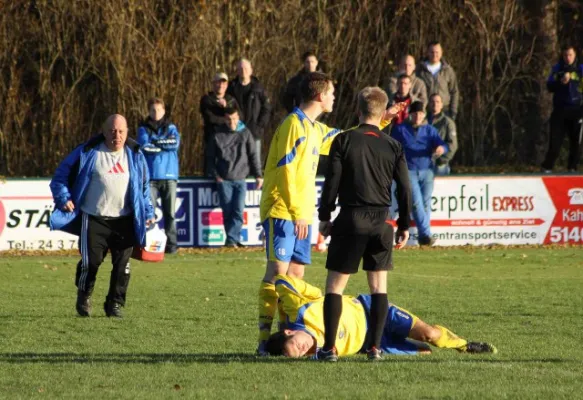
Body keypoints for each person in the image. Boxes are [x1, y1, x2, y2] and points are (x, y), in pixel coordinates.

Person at [317, 86, 412, 361]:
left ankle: (329, 348)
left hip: (351, 218)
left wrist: (325, 216)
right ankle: (374, 348)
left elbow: (331, 181)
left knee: (335, 286)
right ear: (383, 113)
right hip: (382, 220)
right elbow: (404, 188)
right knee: (379, 286)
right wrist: (404, 224)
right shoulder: (394, 145)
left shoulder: (344, 140)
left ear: (358, 111)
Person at [256, 72, 341, 355]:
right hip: (283, 211)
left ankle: (287, 335)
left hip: (303, 213)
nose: (333, 97)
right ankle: (263, 341)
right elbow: (284, 172)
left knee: (295, 276)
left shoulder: (315, 129)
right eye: (330, 92)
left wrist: (379, 120)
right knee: (277, 274)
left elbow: (344, 138)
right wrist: (296, 212)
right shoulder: (293, 124)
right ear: (319, 96)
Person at [49, 115, 155, 318]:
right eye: (113, 131)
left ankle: (114, 305)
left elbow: (143, 188)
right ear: (104, 132)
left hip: (125, 219)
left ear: (127, 132)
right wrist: (64, 197)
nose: (117, 135)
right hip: (94, 217)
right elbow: (60, 176)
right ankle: (84, 294)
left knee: (123, 266)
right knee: (91, 263)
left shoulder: (135, 154)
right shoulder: (87, 151)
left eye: (121, 131)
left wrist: (147, 212)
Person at [265, 275, 497, 358]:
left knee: (430, 335)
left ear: (289, 331)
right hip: (372, 344)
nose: (304, 348)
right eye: (299, 355)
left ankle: (465, 346)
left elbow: (281, 282)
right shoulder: (318, 354)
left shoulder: (300, 312)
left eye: (296, 345)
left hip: (371, 311)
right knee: (424, 353)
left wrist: (312, 295)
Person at [392, 101, 448, 247]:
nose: (418, 116)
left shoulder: (429, 130)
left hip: (427, 171)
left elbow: (442, 144)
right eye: (415, 113)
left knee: (425, 203)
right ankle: (426, 235)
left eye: (421, 113)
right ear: (410, 114)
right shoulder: (400, 129)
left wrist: (441, 148)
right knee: (416, 203)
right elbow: (391, 147)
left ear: (424, 114)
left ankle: (424, 237)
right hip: (408, 170)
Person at [206, 107, 263, 247]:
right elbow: (209, 158)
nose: (232, 121)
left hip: (240, 179)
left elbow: (253, 155)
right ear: (225, 119)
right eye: (229, 119)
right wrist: (216, 176)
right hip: (224, 180)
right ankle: (233, 239)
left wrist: (258, 175)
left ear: (238, 118)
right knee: (228, 211)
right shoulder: (217, 135)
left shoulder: (245, 133)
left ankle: (232, 240)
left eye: (234, 118)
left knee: (238, 210)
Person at [137, 97, 181, 254]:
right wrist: (162, 143)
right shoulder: (143, 128)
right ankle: (147, 245)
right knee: (149, 213)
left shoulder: (171, 127)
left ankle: (172, 245)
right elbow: (145, 147)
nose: (156, 113)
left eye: (159, 110)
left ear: (164, 111)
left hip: (169, 176)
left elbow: (174, 144)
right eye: (153, 110)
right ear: (149, 111)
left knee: (170, 214)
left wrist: (155, 142)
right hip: (150, 178)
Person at [541, 45, 583, 173]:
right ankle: (547, 167)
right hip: (560, 110)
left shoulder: (580, 69)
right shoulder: (557, 68)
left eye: (570, 55)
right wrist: (560, 81)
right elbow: (549, 86)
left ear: (575, 55)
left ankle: (572, 168)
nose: (568, 58)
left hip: (576, 110)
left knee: (576, 143)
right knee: (555, 143)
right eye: (565, 55)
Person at [227, 59, 272, 163]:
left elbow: (267, 108)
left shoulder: (259, 88)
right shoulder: (231, 88)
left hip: (254, 133)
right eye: (241, 68)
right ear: (237, 71)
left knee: (254, 162)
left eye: (246, 68)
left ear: (251, 70)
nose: (244, 71)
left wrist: (259, 125)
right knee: (236, 162)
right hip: (235, 132)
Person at [200, 72, 239, 174]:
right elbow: (211, 118)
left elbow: (239, 117)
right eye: (218, 83)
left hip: (229, 140)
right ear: (213, 84)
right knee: (210, 165)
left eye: (224, 83)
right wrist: (228, 119)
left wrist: (226, 108)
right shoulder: (206, 99)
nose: (221, 86)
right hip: (212, 137)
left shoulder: (231, 100)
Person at [417, 42, 459, 120]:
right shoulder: (420, 70)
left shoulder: (448, 70)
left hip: (444, 111)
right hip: (424, 111)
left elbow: (454, 92)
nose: (434, 54)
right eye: (432, 52)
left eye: (437, 52)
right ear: (427, 53)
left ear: (441, 53)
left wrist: (453, 111)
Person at [428, 93, 458, 175]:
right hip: (423, 165)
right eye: (432, 101)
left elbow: (453, 145)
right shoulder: (422, 121)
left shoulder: (448, 123)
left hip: (440, 166)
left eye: (437, 102)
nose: (435, 104)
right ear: (428, 103)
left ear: (441, 105)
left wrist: (441, 160)